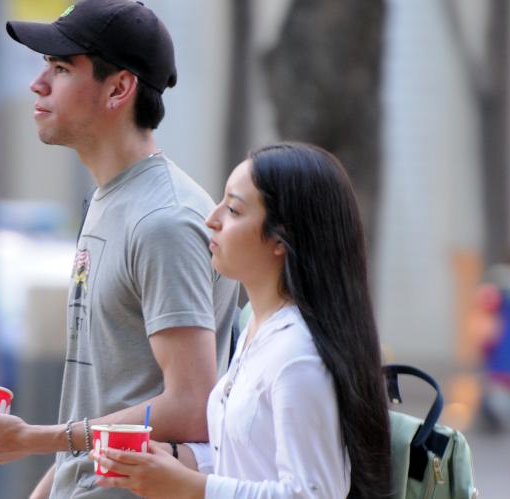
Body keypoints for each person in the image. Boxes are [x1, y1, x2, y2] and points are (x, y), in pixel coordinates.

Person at [0, 1, 239, 497]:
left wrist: (30, 439)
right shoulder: (112, 198)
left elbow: (192, 405)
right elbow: (105, 392)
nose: (38, 84)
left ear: (119, 88)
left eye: (60, 68)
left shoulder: (163, 220)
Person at [91, 143, 391, 498]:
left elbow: (313, 494)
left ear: (281, 238)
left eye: (233, 209)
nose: (212, 219)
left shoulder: (297, 355)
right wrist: (172, 459)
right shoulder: (260, 329)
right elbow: (245, 461)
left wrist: (193, 488)